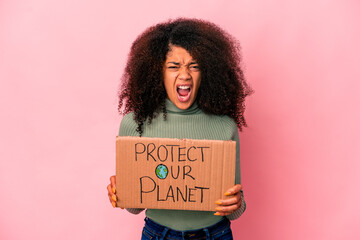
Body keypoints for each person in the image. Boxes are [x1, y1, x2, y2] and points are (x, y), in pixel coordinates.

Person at [107, 18, 252, 240]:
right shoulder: (135, 124)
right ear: (158, 72)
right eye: (174, 66)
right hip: (158, 234)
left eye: (194, 66)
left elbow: (236, 211)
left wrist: (236, 202)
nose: (184, 75)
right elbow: (134, 208)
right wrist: (123, 191)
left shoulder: (224, 126)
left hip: (215, 234)